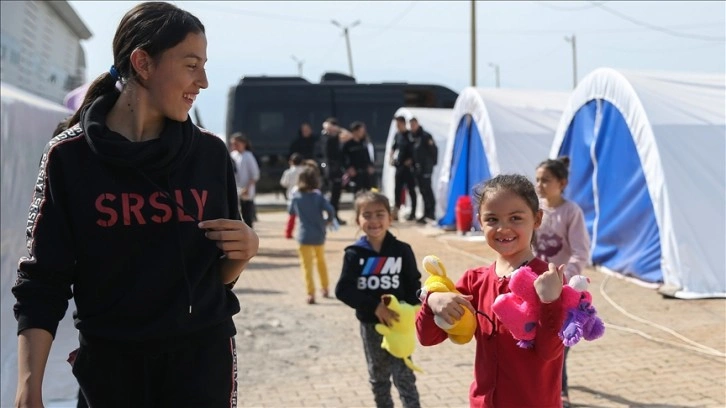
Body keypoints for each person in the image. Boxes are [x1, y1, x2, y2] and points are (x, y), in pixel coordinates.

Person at [12, 3, 259, 406]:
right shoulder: (68, 157)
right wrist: (28, 386)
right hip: (110, 369)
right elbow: (42, 282)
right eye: (191, 65)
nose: (205, 81)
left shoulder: (210, 155)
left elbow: (216, 280)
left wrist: (246, 251)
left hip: (200, 363)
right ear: (143, 63)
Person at [416, 174, 566, 408]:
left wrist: (550, 301)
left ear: (537, 219)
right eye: (492, 219)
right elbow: (428, 337)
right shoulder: (474, 281)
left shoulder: (548, 281)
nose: (503, 228)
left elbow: (550, 352)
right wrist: (433, 300)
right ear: (480, 221)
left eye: (515, 218)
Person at [335, 191, 422, 408]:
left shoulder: (402, 250)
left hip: (399, 326)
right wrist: (375, 307)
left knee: (405, 376)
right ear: (358, 220)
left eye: (380, 214)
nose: (374, 221)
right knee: (379, 378)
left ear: (390, 218)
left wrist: (414, 311)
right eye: (367, 215)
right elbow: (343, 289)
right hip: (371, 325)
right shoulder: (354, 254)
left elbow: (414, 286)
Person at [534, 156, 590, 408]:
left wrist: (564, 279)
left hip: (563, 289)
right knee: (535, 338)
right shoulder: (534, 210)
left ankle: (560, 390)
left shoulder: (571, 212)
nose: (539, 185)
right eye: (537, 180)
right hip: (534, 286)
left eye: (546, 180)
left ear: (562, 183)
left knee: (560, 341)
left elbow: (580, 251)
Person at [289, 166, 336, 304]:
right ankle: (325, 287)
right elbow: (331, 210)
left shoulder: (297, 197)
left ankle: (311, 293)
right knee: (321, 261)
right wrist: (327, 221)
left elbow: (291, 211)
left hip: (303, 235)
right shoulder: (318, 196)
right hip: (319, 233)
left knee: (306, 265)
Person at [321, 117, 351, 225]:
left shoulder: (337, 137)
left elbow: (348, 135)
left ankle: (334, 216)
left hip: (337, 168)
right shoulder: (325, 137)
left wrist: (337, 129)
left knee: (336, 195)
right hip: (330, 169)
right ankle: (331, 217)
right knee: (332, 194)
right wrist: (329, 128)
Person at [409, 117, 437, 224]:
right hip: (418, 169)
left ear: (417, 124)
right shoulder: (412, 137)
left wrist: (431, 165)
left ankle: (431, 213)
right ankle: (426, 213)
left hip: (426, 169)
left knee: (427, 190)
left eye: (414, 124)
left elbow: (434, 151)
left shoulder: (425, 136)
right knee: (422, 191)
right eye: (411, 125)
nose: (412, 127)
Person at [230, 132, 260, 228]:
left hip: (247, 188)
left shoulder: (248, 156)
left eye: (236, 143)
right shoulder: (233, 155)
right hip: (236, 188)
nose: (234, 146)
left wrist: (247, 188)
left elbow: (254, 175)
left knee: (247, 215)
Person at [390, 116, 417, 221]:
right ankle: (396, 212)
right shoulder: (397, 135)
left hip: (409, 168)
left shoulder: (410, 135)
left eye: (398, 124)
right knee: (397, 189)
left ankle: (413, 213)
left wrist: (411, 160)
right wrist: (391, 157)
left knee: (411, 190)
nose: (397, 126)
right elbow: (393, 147)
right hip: (400, 166)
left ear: (403, 123)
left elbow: (416, 150)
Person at [341, 121, 375, 194]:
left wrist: (370, 166)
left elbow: (368, 156)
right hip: (355, 173)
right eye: (361, 131)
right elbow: (343, 158)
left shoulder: (364, 143)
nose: (363, 133)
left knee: (369, 191)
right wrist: (348, 168)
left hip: (365, 172)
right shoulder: (347, 144)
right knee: (358, 193)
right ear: (355, 131)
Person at [280, 153, 306, 239]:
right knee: (304, 217)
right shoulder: (304, 171)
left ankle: (288, 233)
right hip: (303, 195)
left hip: (292, 195)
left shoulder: (288, 172)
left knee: (292, 216)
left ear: (291, 162)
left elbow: (284, 183)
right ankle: (304, 232)